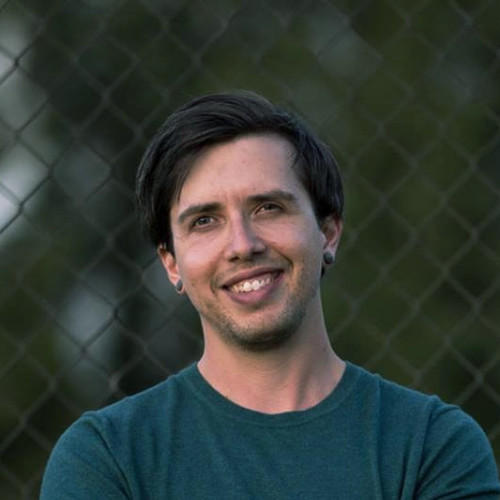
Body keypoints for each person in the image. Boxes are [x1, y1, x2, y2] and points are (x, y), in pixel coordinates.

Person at [41, 91, 499, 499]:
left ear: (327, 232)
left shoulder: (432, 444)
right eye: (205, 221)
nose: (242, 245)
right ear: (172, 263)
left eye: (268, 207)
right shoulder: (107, 458)